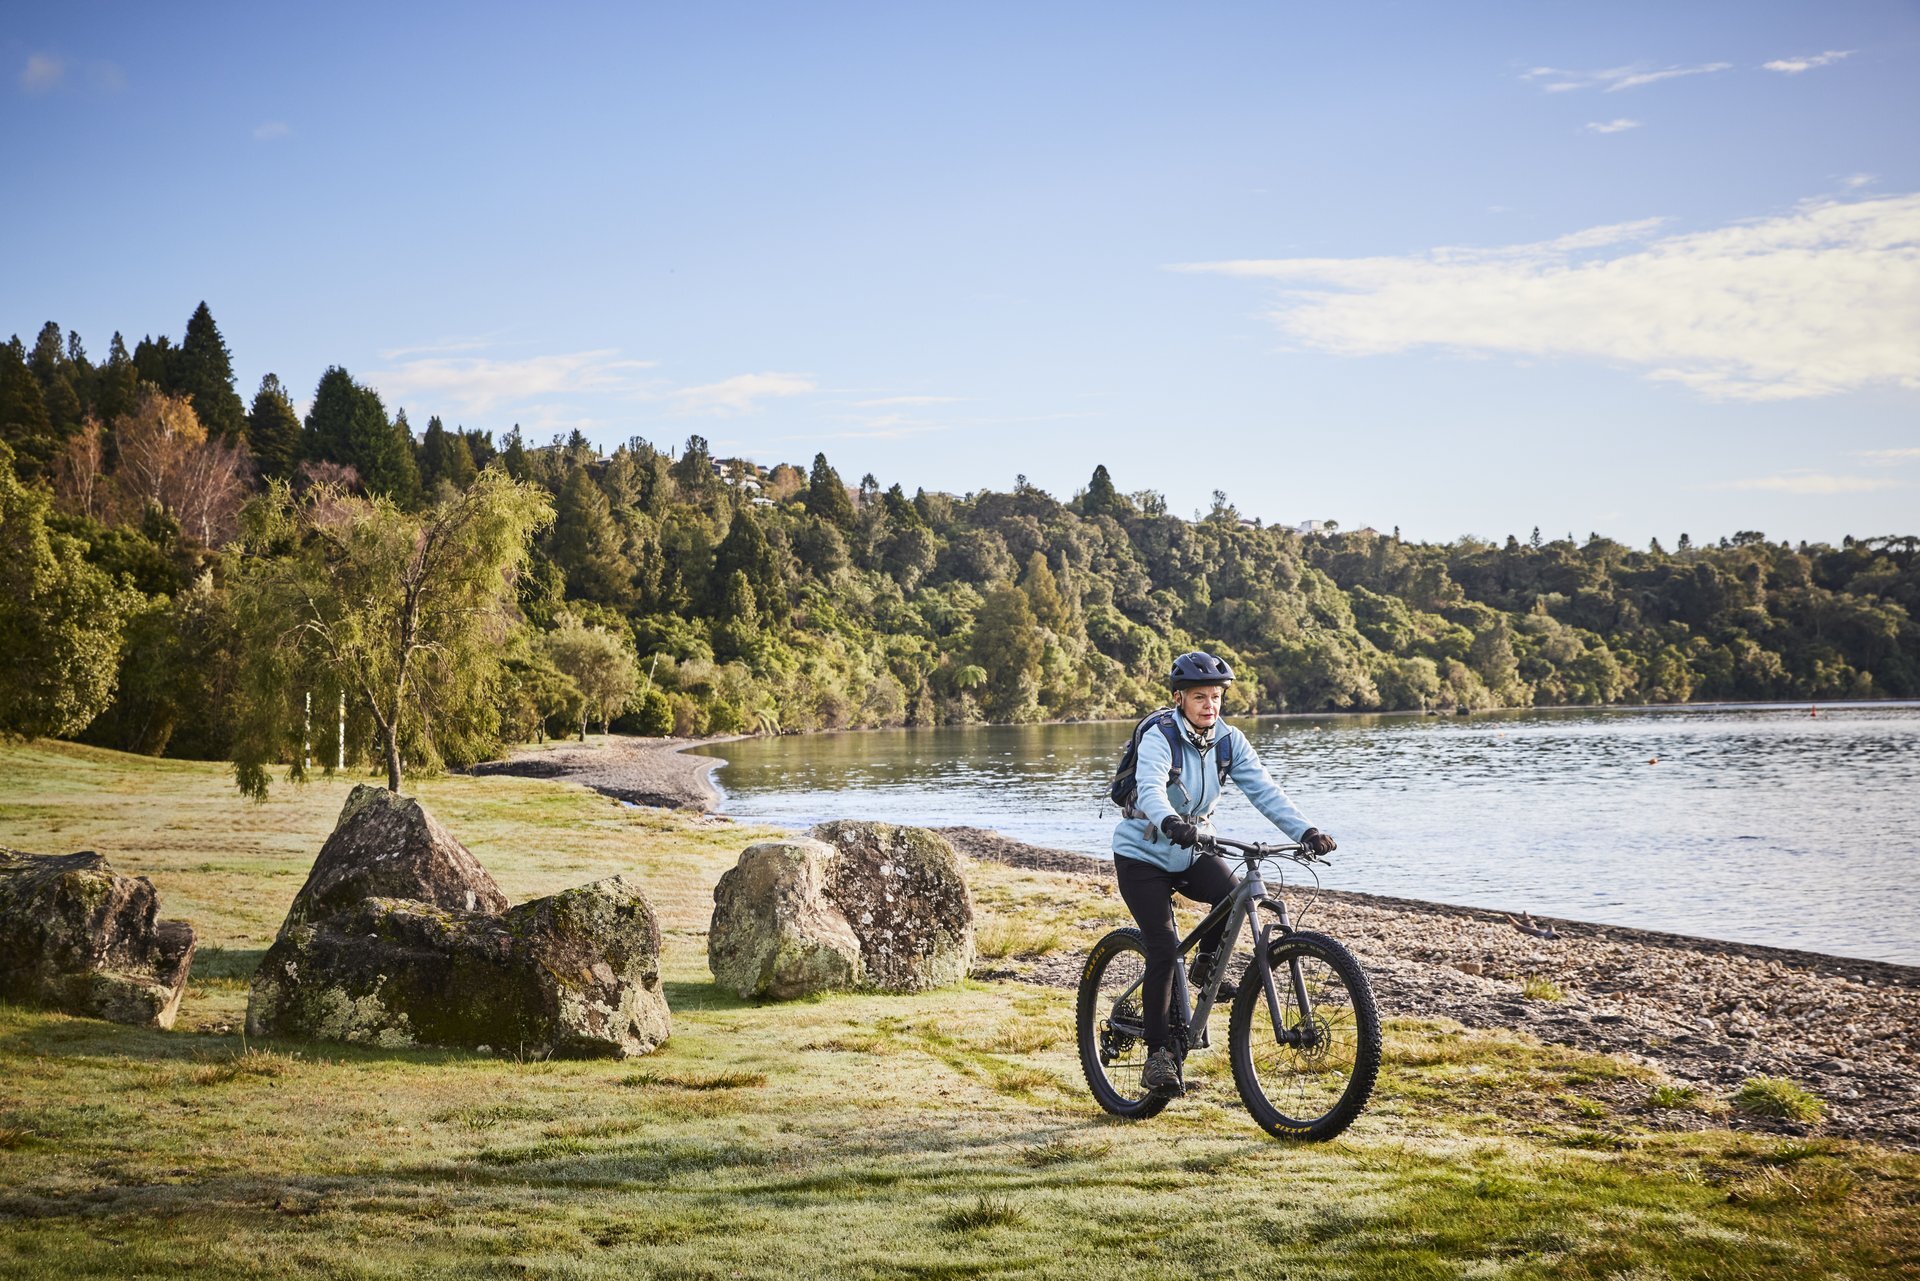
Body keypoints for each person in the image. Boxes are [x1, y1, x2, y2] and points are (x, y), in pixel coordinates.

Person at [1111, 651, 1336, 1097]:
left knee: (1237, 895)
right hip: (1143, 854)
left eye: (1216, 696)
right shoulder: (1160, 736)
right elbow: (1152, 788)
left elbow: (1265, 790)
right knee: (1162, 947)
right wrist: (1169, 820)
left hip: (1194, 847)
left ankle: (1205, 966)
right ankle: (1158, 1056)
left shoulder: (1230, 741)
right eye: (1200, 697)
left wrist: (1305, 830)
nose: (1210, 705)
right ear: (1179, 699)